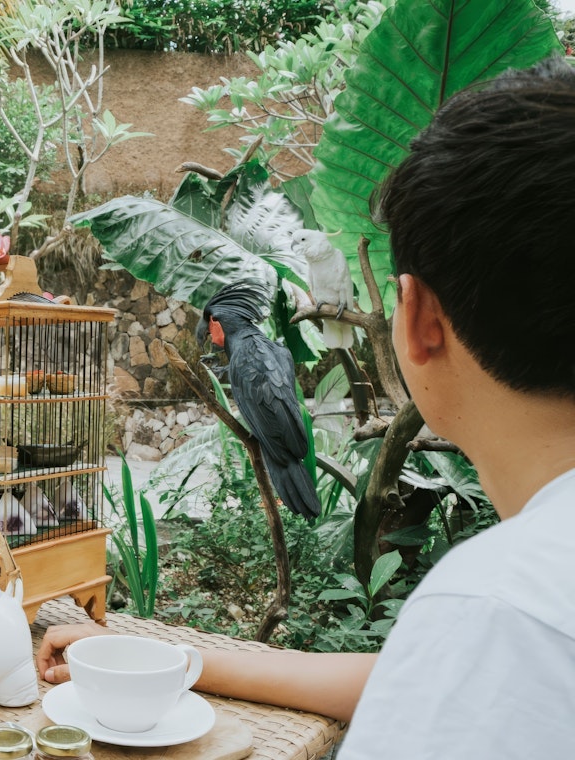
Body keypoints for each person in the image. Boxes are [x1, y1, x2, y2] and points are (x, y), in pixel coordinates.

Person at [38, 56, 575, 758]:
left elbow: (470, 652)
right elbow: (430, 675)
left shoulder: (496, 607)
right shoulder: (501, 622)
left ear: (417, 320)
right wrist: (173, 659)